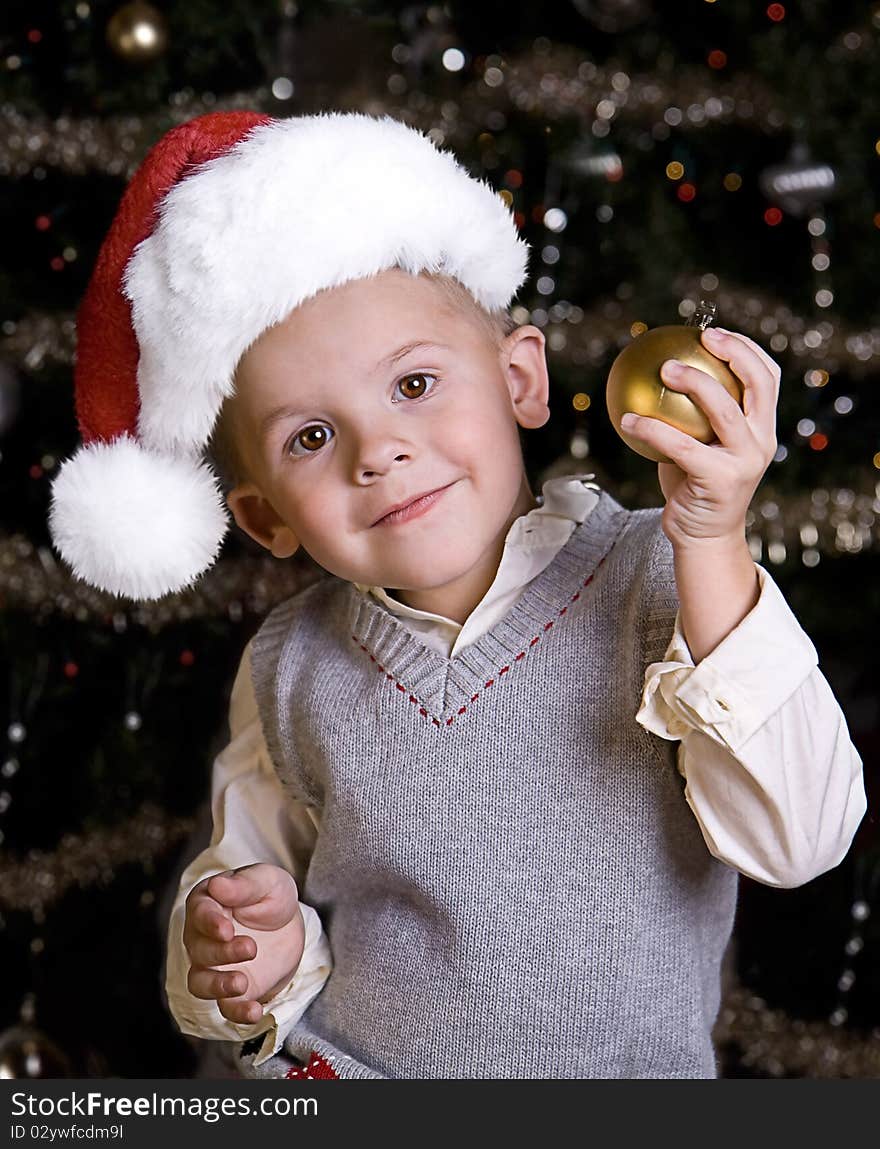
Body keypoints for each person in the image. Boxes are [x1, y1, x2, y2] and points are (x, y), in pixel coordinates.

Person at [49, 111, 866, 1080]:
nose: (378, 451)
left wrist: (711, 542)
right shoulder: (290, 665)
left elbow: (800, 839)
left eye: (415, 383)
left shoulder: (668, 581)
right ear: (267, 519)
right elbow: (241, 897)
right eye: (310, 437)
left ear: (520, 380)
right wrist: (249, 958)